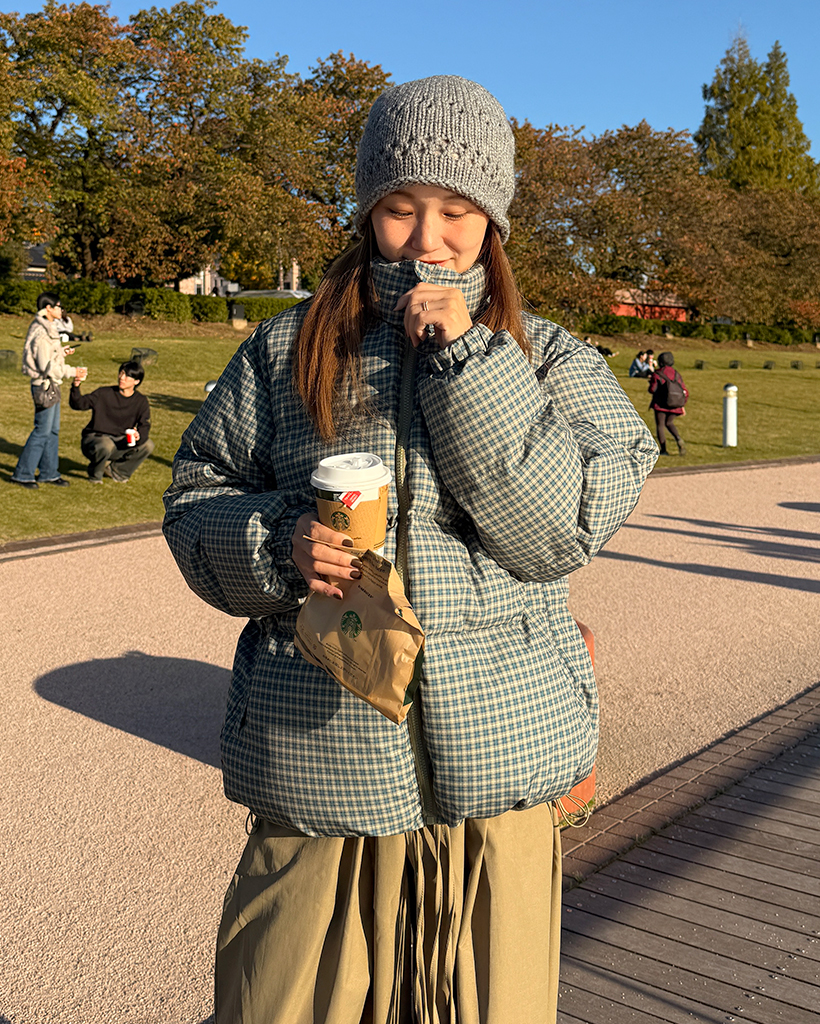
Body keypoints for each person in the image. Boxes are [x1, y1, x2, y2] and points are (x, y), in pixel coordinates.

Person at [163, 75, 658, 1024]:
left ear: (493, 222)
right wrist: (277, 541)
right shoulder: (284, 351)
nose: (427, 238)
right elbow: (195, 500)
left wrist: (470, 363)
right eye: (400, 207)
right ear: (366, 213)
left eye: (456, 211)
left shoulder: (550, 357)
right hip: (322, 767)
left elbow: (555, 534)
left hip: (497, 779)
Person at [10, 292, 85, 489]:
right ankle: (22, 474)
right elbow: (46, 366)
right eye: (58, 306)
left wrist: (61, 352)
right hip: (44, 386)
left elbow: (48, 357)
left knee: (52, 431)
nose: (61, 310)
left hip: (52, 385)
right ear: (48, 309)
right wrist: (72, 371)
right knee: (42, 430)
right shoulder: (42, 332)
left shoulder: (48, 327)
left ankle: (49, 473)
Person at [69, 360, 153, 482]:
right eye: (121, 373)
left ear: (136, 381)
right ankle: (95, 476)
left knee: (148, 445)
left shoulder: (141, 401)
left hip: (120, 440)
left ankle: (117, 472)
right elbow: (79, 404)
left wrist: (138, 435)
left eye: (127, 376)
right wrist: (76, 386)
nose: (122, 378)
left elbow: (144, 424)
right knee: (106, 445)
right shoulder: (104, 393)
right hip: (96, 438)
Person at [649, 351, 688, 455]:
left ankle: (664, 449)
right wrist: (682, 404)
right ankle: (678, 438)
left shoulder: (657, 374)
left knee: (660, 425)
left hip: (660, 404)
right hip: (675, 404)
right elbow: (684, 390)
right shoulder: (676, 374)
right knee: (669, 423)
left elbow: (652, 389)